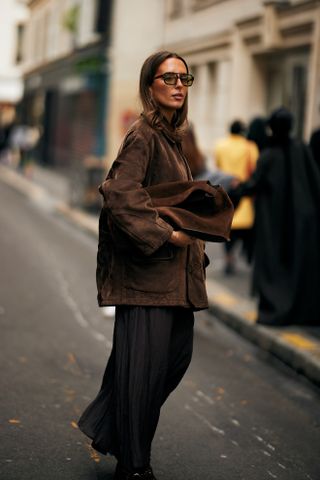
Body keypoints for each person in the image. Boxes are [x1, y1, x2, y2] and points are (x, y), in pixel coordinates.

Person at [78, 51, 232, 480]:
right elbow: (120, 193)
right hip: (147, 278)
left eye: (185, 77)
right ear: (151, 86)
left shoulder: (172, 137)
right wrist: (166, 235)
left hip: (172, 279)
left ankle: (111, 429)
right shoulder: (144, 134)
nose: (179, 84)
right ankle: (134, 465)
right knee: (141, 373)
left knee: (171, 361)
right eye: (169, 77)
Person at [231, 107, 320, 326]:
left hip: (273, 222)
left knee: (273, 266)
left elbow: (254, 184)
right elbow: (315, 182)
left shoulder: (269, 154)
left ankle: (276, 309)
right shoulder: (301, 149)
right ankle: (300, 311)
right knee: (298, 265)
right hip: (302, 220)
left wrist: (234, 190)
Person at [214, 120, 259, 273]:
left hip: (226, 193)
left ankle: (228, 256)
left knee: (228, 227)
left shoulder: (220, 145)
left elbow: (218, 167)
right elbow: (255, 170)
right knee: (244, 227)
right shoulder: (250, 147)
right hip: (243, 194)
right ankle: (239, 256)